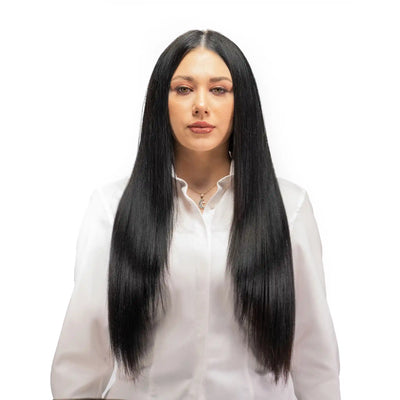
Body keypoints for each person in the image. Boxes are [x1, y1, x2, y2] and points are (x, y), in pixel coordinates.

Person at [50, 29, 341, 400]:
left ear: (241, 102)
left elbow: (314, 358)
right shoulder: (112, 209)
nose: (201, 105)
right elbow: (80, 360)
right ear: (161, 100)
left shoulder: (289, 209)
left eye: (218, 89)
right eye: (184, 89)